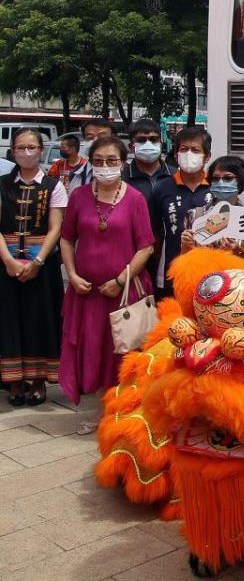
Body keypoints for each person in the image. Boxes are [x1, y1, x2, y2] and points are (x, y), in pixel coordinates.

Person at [60, 136, 154, 432]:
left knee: (121, 352)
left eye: (111, 161)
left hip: (122, 292)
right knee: (93, 349)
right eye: (98, 161)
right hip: (86, 292)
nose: (105, 166)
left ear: (123, 162)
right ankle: (102, 412)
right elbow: (66, 238)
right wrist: (72, 275)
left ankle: (123, 411)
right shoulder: (79, 196)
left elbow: (146, 247)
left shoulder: (135, 198)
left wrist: (120, 279)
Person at [0, 128, 66, 406]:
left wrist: (38, 261)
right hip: (6, 264)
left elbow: (56, 228)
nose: (26, 153)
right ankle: (14, 381)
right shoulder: (2, 184)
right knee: (8, 321)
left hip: (44, 265)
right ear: (12, 151)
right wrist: (8, 261)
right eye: (20, 148)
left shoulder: (54, 185)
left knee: (42, 320)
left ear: (41, 150)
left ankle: (39, 380)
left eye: (31, 147)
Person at [149, 126, 212, 298]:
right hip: (172, 273)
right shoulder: (162, 188)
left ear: (207, 157)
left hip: (211, 275)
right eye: (183, 149)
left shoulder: (216, 188)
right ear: (176, 155)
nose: (188, 154)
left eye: (195, 150)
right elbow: (154, 234)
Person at [181, 156, 244, 261]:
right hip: (201, 275)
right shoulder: (195, 215)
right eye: (216, 178)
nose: (221, 182)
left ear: (240, 181)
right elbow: (184, 260)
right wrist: (186, 245)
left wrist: (237, 251)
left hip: (235, 275)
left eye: (228, 178)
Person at [123, 118, 172, 208]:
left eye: (153, 139)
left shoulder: (175, 176)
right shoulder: (122, 179)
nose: (148, 144)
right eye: (141, 140)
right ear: (131, 146)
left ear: (161, 144)